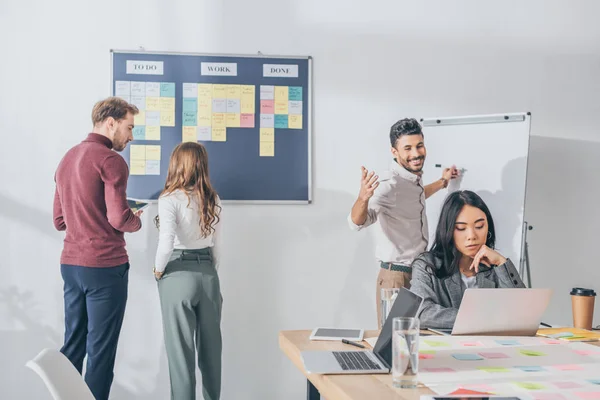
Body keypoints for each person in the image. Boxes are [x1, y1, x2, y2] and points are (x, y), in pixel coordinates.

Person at [53, 97, 142, 400]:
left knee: (73, 345)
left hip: (71, 265)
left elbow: (59, 220)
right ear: (111, 123)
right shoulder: (111, 160)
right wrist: (135, 220)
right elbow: (119, 217)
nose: (131, 136)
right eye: (129, 128)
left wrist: (86, 217)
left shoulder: (68, 158)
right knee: (100, 352)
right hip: (104, 267)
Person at [348, 118, 458, 327]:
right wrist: (363, 198)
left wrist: (443, 182)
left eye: (419, 146)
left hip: (420, 276)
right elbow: (355, 223)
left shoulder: (411, 179)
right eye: (407, 148)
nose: (416, 153)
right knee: (394, 346)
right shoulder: (387, 185)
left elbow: (416, 197)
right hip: (396, 277)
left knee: (420, 342)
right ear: (394, 152)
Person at [154, 142, 223, 400]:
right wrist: (209, 271)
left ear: (176, 164)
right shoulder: (213, 199)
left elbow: (166, 241)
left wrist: (158, 270)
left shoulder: (169, 199)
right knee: (211, 351)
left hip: (176, 273)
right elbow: (219, 246)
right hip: (207, 273)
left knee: (180, 355)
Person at [410, 190, 526, 329]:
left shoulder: (496, 266)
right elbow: (422, 313)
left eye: (479, 226)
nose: (471, 235)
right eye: (461, 228)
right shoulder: (427, 265)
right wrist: (482, 319)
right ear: (448, 231)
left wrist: (502, 263)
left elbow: (523, 314)